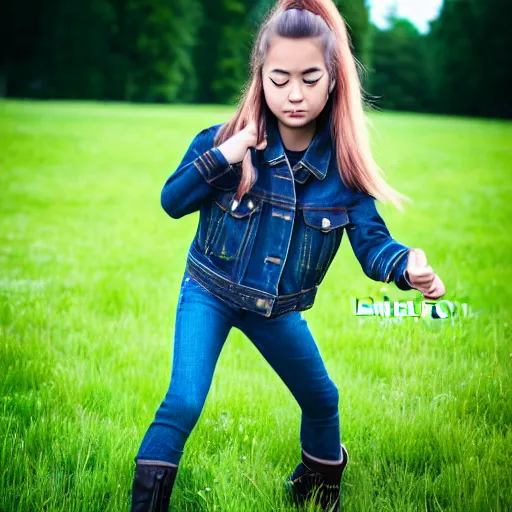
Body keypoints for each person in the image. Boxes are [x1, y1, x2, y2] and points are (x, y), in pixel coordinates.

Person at [130, 0, 446, 510]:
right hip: (207, 292)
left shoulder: (343, 172)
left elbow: (371, 246)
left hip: (274, 310)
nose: (294, 94)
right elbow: (172, 201)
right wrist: (225, 157)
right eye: (279, 79)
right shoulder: (226, 141)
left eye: (309, 78)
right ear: (261, 77)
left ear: (333, 80)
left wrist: (406, 266)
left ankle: (314, 498)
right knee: (183, 400)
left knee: (323, 400)